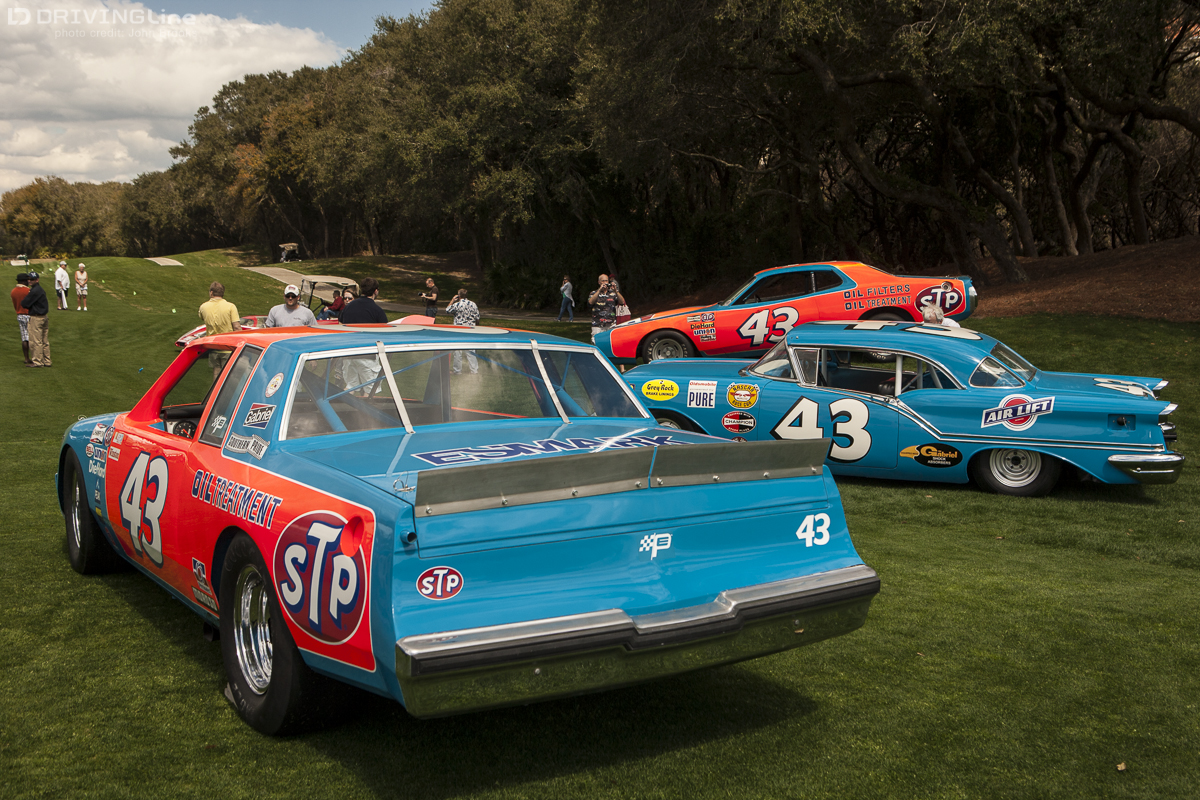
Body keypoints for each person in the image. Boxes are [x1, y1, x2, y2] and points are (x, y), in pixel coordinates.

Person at [198, 281, 242, 378]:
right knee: (229, 375)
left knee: (216, 373)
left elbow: (201, 317)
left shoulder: (203, 307)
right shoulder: (231, 306)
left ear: (211, 293)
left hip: (213, 346)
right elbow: (237, 327)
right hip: (228, 346)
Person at [446, 288, 480, 374]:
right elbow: (477, 318)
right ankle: (474, 370)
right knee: (471, 351)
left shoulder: (457, 304)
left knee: (458, 351)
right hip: (471, 330)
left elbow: (447, 310)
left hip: (459, 331)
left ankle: (457, 370)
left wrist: (452, 300)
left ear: (459, 296)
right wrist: (477, 328)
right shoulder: (473, 304)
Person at [20, 271, 51, 367]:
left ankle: (38, 361)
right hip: (44, 317)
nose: (29, 281)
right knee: (44, 340)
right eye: (29, 279)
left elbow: (24, 303)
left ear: (37, 280)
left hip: (36, 318)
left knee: (36, 340)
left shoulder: (34, 291)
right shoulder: (40, 289)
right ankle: (47, 360)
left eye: (32, 279)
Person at [587, 273, 626, 342]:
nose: (605, 283)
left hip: (611, 324)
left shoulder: (612, 293)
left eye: (606, 281)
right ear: (599, 282)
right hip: (597, 324)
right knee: (595, 342)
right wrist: (599, 290)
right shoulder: (594, 293)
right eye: (603, 281)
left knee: (611, 342)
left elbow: (622, 302)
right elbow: (590, 303)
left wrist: (616, 291)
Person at [11, 273, 32, 365]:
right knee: (32, 337)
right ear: (23, 281)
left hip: (19, 315)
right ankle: (35, 357)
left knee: (24, 337)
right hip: (29, 314)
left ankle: (26, 358)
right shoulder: (28, 291)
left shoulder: (13, 291)